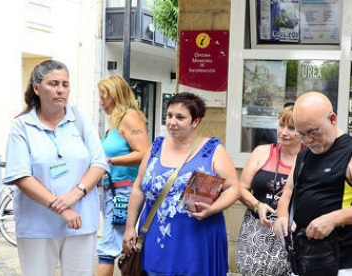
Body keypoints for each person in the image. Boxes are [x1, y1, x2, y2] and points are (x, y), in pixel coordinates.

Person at [3, 60, 108, 276]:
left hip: (81, 223)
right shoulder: (22, 126)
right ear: (36, 88)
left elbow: (99, 163)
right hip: (37, 226)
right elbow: (21, 176)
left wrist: (75, 194)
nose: (60, 90)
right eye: (53, 83)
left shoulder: (79, 120)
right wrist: (62, 207)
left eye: (65, 84)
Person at [123, 92, 240, 276]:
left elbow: (233, 188)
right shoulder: (156, 147)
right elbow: (139, 187)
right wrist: (130, 226)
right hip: (156, 240)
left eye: (180, 117)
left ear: (195, 121)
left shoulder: (211, 150)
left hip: (195, 242)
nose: (172, 122)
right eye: (169, 115)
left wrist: (212, 209)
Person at [274, 92, 352, 275]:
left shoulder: (349, 153)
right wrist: (282, 218)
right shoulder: (303, 155)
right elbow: (286, 196)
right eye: (301, 134)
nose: (308, 140)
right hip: (303, 261)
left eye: (313, 132)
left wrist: (334, 219)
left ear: (332, 119)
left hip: (341, 265)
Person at [236, 104, 302, 276]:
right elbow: (241, 188)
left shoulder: (309, 158)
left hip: (291, 231)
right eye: (281, 125)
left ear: (303, 131)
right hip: (257, 228)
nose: (284, 132)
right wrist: (257, 204)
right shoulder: (262, 152)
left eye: (292, 128)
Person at [96, 76, 149, 276]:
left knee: (108, 248)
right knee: (112, 244)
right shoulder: (116, 121)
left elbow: (143, 153)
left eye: (104, 97)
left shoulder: (129, 117)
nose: (100, 102)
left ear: (116, 96)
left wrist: (109, 162)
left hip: (123, 194)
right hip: (114, 192)